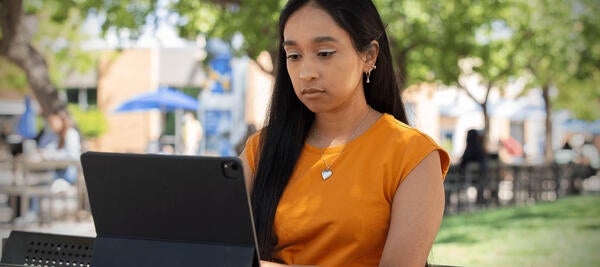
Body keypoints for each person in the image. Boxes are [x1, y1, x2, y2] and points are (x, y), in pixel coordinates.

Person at [239, 1, 450, 266]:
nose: (306, 73)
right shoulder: (261, 148)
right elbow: (215, 246)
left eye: (325, 53)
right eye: (293, 55)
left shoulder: (413, 155)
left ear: (369, 56)